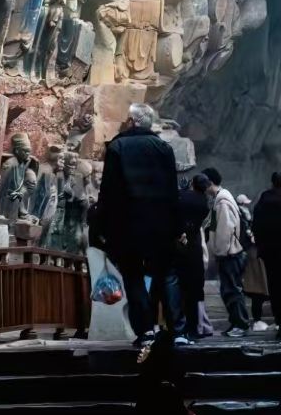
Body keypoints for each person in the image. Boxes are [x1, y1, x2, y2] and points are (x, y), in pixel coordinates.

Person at [93, 102, 187, 347]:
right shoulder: (164, 148)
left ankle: (145, 331)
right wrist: (179, 228)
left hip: (128, 227)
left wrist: (102, 227)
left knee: (133, 277)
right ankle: (178, 330)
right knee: (167, 276)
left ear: (132, 121)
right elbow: (172, 192)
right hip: (162, 226)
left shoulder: (117, 147)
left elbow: (109, 192)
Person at [203, 167, 250, 335]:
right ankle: (236, 323)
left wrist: (219, 251)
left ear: (209, 182)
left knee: (232, 290)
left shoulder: (222, 201)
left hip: (230, 254)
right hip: (231, 253)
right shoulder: (221, 198)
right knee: (229, 290)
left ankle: (241, 324)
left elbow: (224, 229)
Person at [253, 170, 281, 340]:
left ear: (272, 182)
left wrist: (261, 245)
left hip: (270, 252)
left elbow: (256, 224)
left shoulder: (264, 199)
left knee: (275, 289)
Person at [178, 172, 211, 340]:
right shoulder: (204, 203)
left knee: (181, 289)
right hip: (195, 247)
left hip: (182, 247)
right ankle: (195, 327)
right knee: (195, 290)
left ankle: (181, 327)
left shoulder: (182, 198)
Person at [238, 194, 270, 326]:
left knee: (258, 288)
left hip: (254, 253)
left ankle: (257, 319)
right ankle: (257, 319)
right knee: (259, 287)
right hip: (254, 253)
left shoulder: (246, 215)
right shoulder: (244, 216)